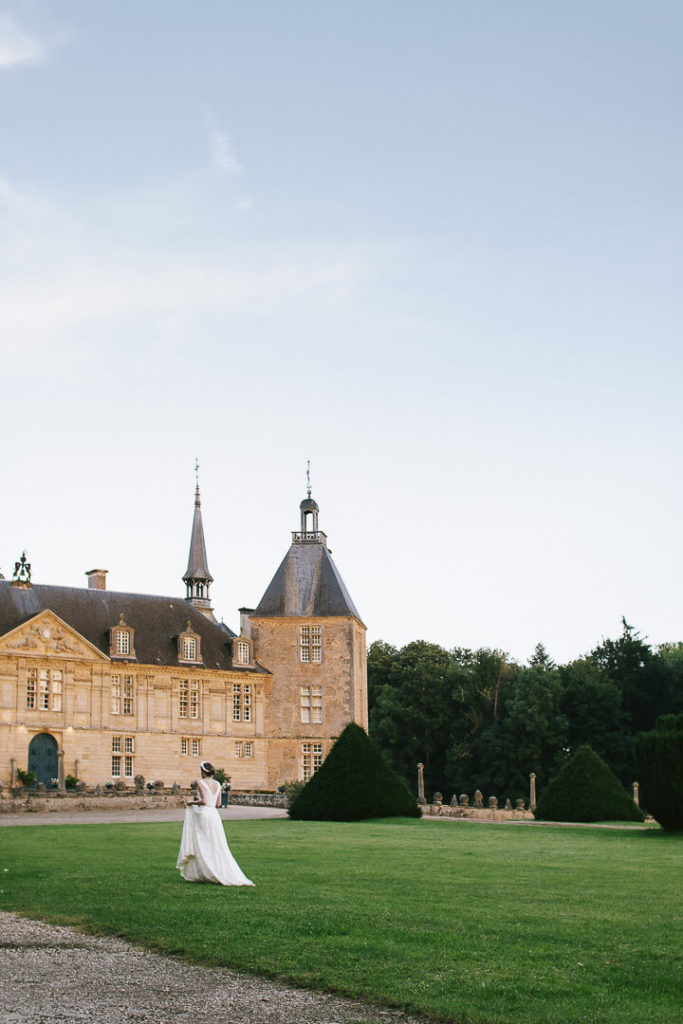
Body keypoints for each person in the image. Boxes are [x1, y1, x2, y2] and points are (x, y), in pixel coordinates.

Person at [176, 761, 254, 886]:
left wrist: (191, 802)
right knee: (216, 843)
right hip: (214, 815)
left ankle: (208, 870)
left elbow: (204, 801)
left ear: (203, 771)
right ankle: (216, 869)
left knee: (203, 842)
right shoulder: (217, 784)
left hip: (204, 814)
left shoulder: (200, 782)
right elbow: (218, 804)